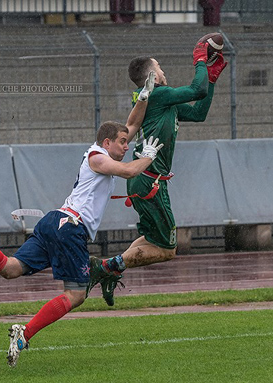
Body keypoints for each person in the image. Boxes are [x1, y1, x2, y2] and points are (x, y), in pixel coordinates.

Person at [0, 73, 160, 368]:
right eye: (123, 143)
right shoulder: (98, 156)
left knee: (11, 269)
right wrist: (149, 157)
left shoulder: (104, 151)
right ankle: (24, 334)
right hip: (70, 228)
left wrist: (143, 98)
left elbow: (132, 125)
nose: (127, 146)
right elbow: (129, 171)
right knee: (76, 294)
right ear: (107, 142)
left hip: (55, 221)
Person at [87, 38, 228, 306]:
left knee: (152, 239)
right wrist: (200, 61)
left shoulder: (160, 100)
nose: (164, 71)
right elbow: (195, 91)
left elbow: (198, 113)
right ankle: (106, 266)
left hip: (143, 181)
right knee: (167, 249)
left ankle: (111, 271)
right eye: (159, 67)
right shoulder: (159, 94)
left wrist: (210, 80)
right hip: (150, 181)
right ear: (152, 75)